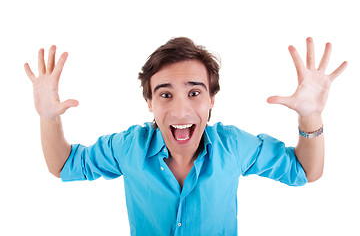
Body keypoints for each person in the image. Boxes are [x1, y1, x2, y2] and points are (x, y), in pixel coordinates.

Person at [24, 37, 347, 235]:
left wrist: (310, 114)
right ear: (149, 103)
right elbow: (64, 166)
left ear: (211, 100)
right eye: (165, 95)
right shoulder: (128, 146)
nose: (180, 111)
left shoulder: (233, 145)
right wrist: (48, 118)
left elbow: (305, 171)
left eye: (194, 93)